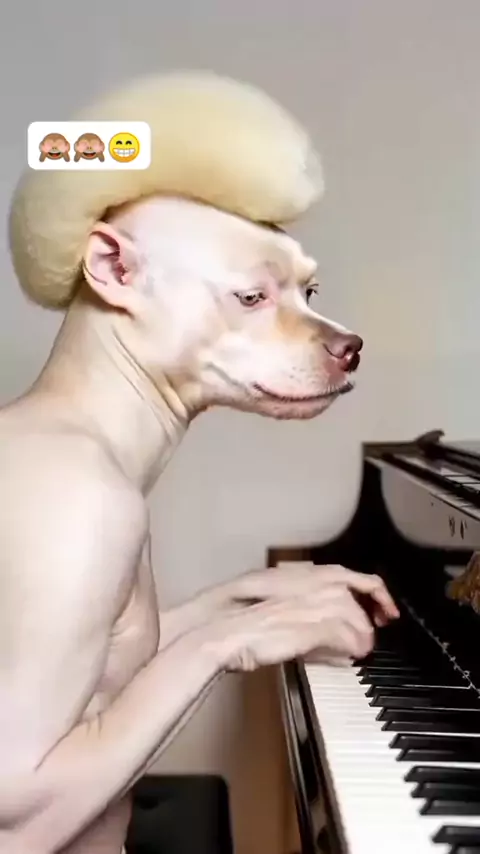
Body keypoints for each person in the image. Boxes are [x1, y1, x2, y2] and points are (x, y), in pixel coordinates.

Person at [1, 71, 399, 854]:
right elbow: (16, 815)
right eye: (253, 298)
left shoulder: (54, 455)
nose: (332, 336)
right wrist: (224, 643)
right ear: (115, 270)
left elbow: (85, 674)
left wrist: (240, 600)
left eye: (306, 291)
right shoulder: (79, 493)